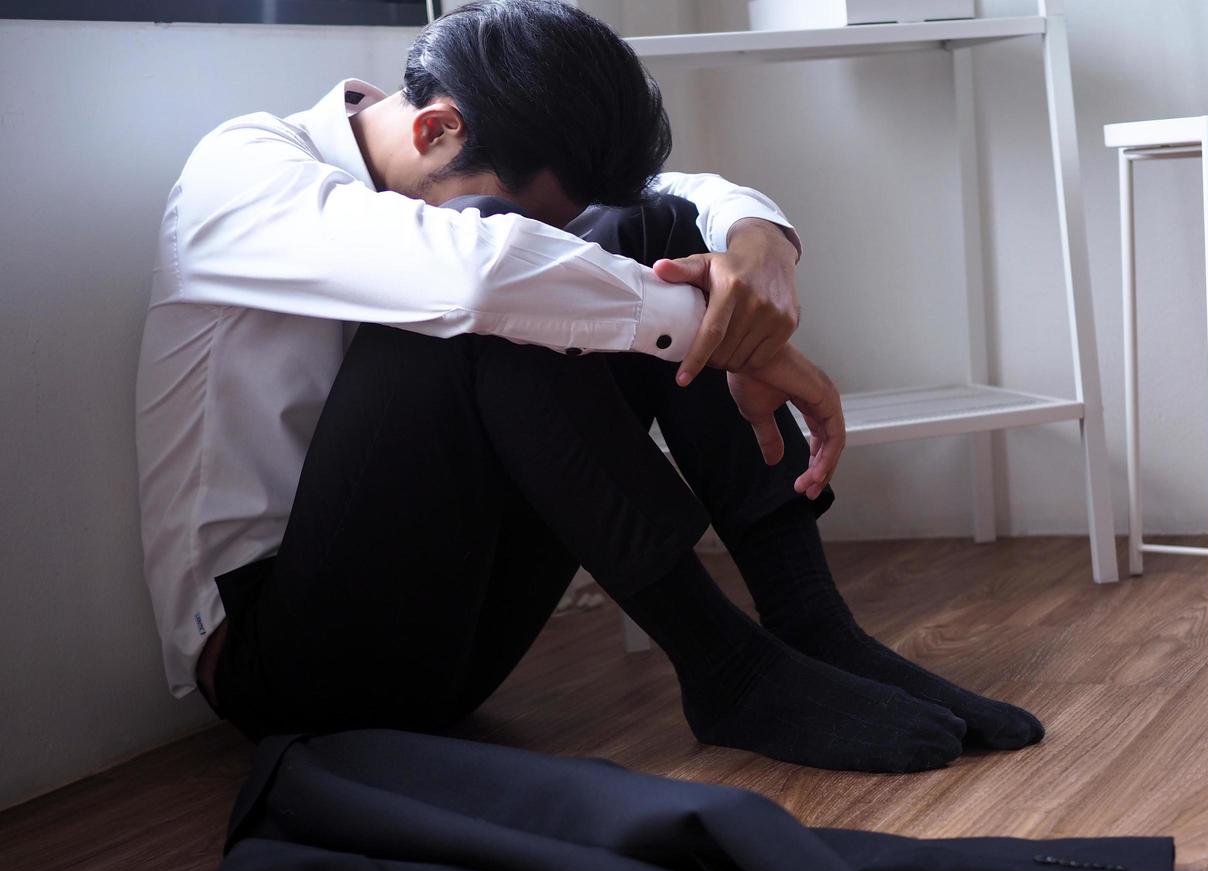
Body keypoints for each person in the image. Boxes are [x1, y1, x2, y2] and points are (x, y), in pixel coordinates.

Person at [135, 0, 1043, 773]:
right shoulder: (241, 172)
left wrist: (758, 242)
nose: (545, 237)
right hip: (289, 668)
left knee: (647, 224)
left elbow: (663, 196)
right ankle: (726, 668)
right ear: (433, 131)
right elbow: (485, 277)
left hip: (458, 633)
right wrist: (729, 341)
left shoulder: (442, 136)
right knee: (493, 283)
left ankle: (810, 625)